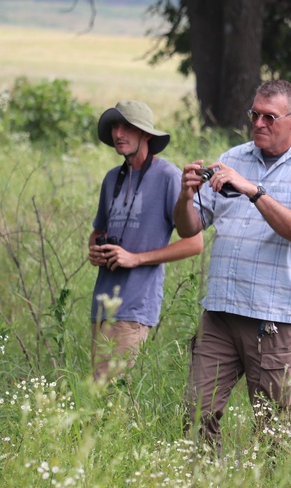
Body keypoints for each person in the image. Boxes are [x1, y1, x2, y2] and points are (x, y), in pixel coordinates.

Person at [173, 80, 291, 454]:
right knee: (197, 411)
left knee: (274, 425)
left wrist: (253, 190)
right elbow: (189, 227)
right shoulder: (234, 156)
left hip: (272, 317)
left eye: (269, 117)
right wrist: (185, 196)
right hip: (221, 311)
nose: (258, 123)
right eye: (254, 115)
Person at [89, 100, 203, 383]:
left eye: (127, 127)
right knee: (102, 387)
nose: (118, 133)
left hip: (136, 302)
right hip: (103, 301)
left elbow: (194, 243)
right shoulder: (112, 178)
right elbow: (98, 229)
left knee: (107, 389)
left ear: (147, 135)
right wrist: (95, 250)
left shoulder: (167, 176)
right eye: (115, 126)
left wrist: (135, 258)